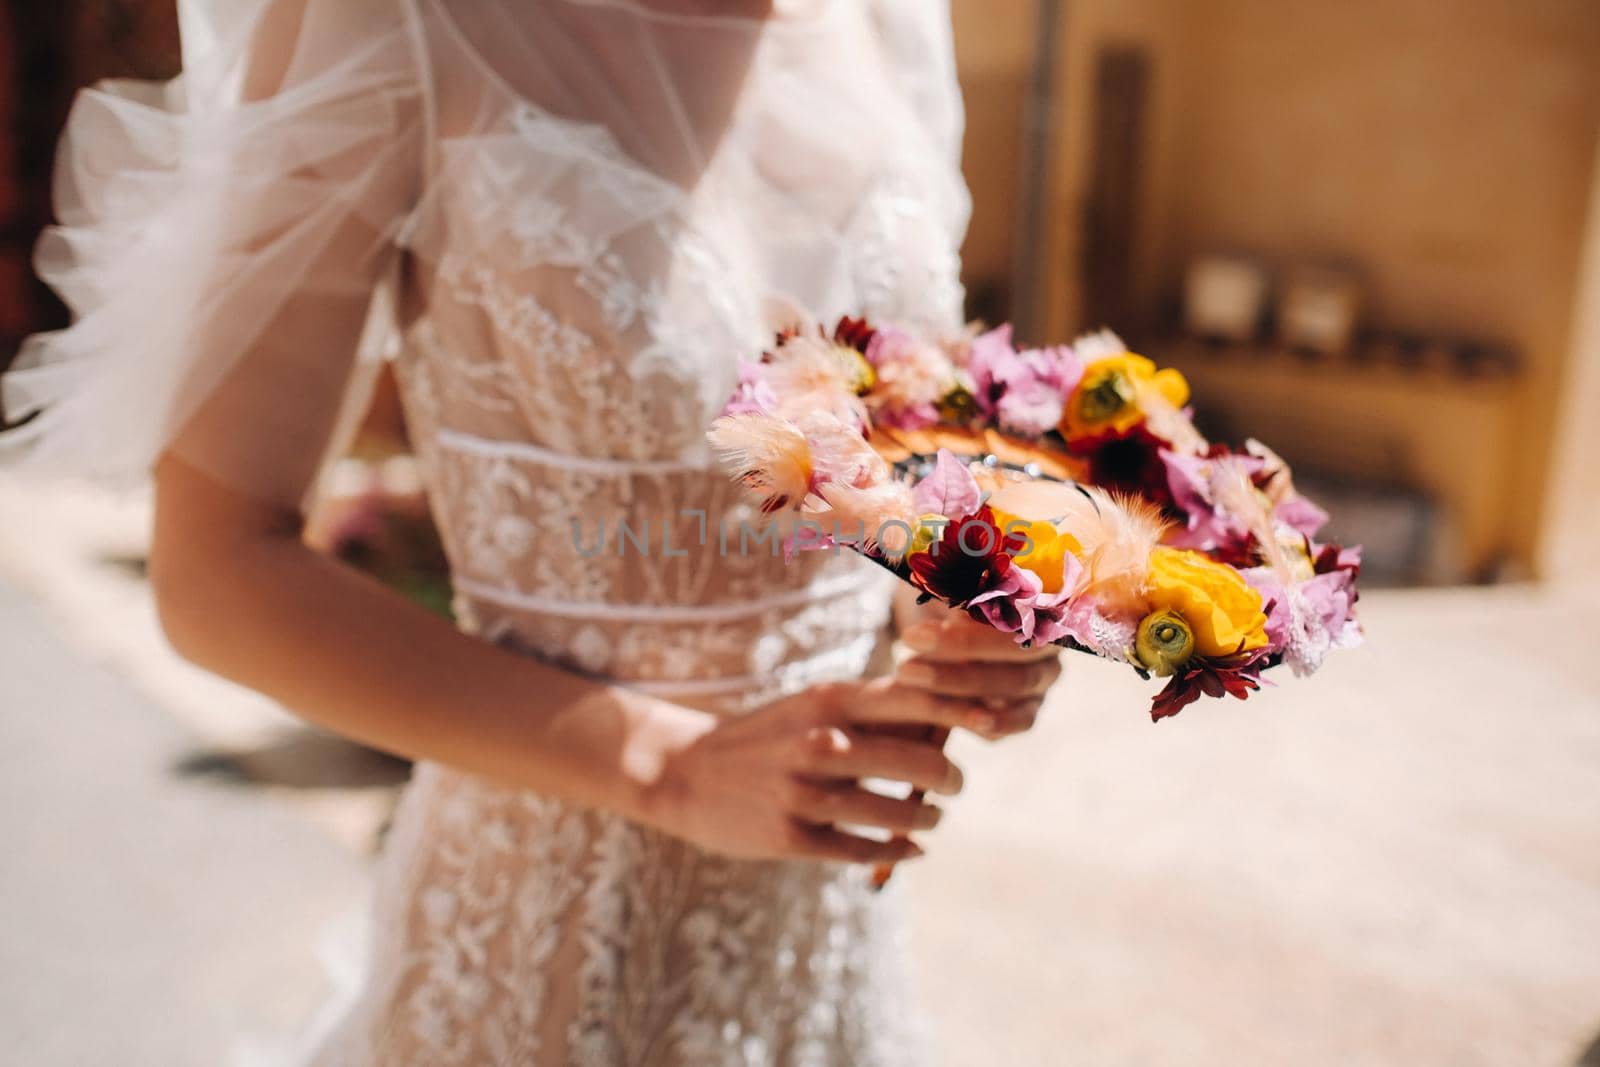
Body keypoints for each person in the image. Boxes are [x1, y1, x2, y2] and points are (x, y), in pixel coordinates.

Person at [2, 1, 1066, 1061]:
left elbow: (899, 439)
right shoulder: (392, 20)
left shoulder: (894, 22)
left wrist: (944, 595)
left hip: (825, 951)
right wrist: (668, 767)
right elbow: (216, 573)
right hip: (543, 967)